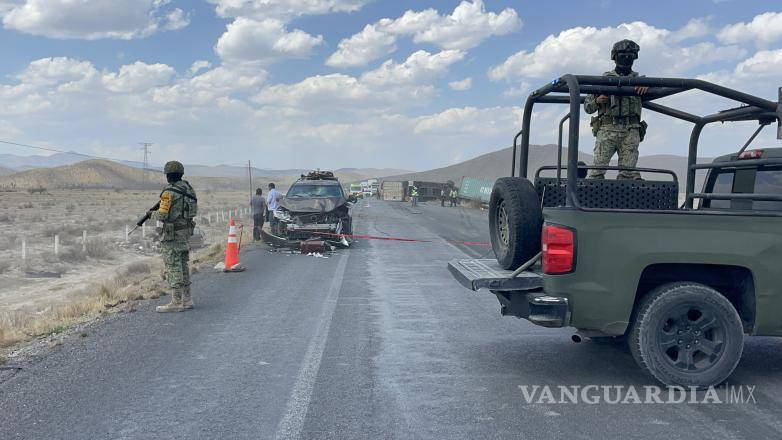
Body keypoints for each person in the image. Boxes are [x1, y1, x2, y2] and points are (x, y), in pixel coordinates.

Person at [584, 39, 649, 180]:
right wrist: (597, 101)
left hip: (630, 130)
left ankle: (627, 200)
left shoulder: (641, 80)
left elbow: (657, 90)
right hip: (608, 129)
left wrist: (648, 87)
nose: (626, 58)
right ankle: (590, 199)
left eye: (630, 54)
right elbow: (587, 107)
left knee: (628, 174)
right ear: (615, 56)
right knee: (596, 172)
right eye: (623, 54)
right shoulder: (603, 80)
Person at [155, 161, 198, 313]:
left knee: (173, 266)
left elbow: (162, 215)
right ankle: (187, 299)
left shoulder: (168, 192)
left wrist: (151, 213)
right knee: (183, 265)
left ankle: (176, 301)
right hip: (185, 233)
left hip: (172, 235)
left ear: (168, 175)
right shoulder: (189, 189)